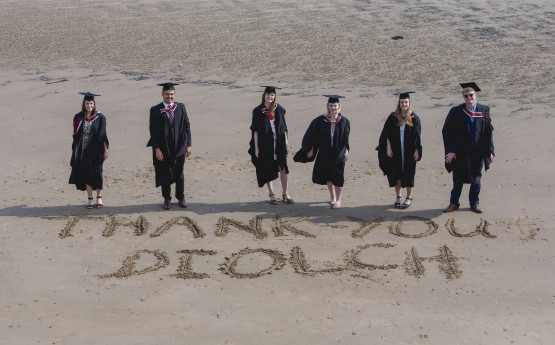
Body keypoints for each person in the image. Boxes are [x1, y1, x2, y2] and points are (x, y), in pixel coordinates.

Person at [442, 82, 495, 213]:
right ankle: (454, 203)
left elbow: (488, 132)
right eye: (466, 96)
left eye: (471, 95)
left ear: (475, 95)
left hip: (478, 151)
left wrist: (490, 151)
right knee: (458, 178)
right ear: (463, 97)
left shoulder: (484, 110)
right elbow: (448, 131)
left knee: (476, 179)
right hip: (461, 152)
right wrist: (451, 150)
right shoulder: (457, 111)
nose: (469, 98)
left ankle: (474, 203)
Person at [294, 95, 350, 209]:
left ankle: (338, 200)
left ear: (339, 106)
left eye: (335, 105)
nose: (333, 108)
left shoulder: (344, 121)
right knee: (328, 176)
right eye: (331, 105)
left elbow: (346, 139)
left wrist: (346, 152)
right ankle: (332, 197)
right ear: (328, 106)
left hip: (338, 153)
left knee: (338, 176)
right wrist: (311, 149)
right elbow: (313, 135)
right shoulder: (321, 120)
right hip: (325, 152)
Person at [147, 82, 192, 210]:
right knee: (164, 172)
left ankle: (181, 197)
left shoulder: (181, 107)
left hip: (179, 146)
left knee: (179, 172)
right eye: (167, 94)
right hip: (163, 147)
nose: (169, 96)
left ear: (174, 94)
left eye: (171, 94)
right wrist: (157, 149)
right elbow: (153, 131)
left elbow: (187, 126)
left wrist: (188, 144)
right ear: (162, 94)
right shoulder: (155, 110)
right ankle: (167, 198)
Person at [249, 86, 293, 205]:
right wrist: (257, 148)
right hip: (265, 145)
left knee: (283, 169)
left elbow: (284, 129)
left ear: (275, 96)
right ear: (264, 95)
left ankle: (285, 193)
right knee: (268, 169)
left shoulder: (279, 109)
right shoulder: (258, 111)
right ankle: (272, 194)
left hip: (279, 144)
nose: (270, 97)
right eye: (268, 95)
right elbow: (255, 131)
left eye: (272, 95)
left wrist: (287, 144)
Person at [377, 92, 422, 209]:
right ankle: (398, 196)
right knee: (396, 173)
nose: (404, 104)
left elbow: (417, 136)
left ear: (409, 103)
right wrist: (388, 148)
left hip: (409, 151)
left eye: (406, 102)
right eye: (402, 102)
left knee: (409, 173)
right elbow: (386, 134)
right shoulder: (393, 117)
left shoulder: (414, 118)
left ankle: (408, 197)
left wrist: (417, 150)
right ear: (399, 103)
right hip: (396, 151)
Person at [69, 92, 109, 209]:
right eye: (87, 103)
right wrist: (76, 151)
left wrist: (106, 150)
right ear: (84, 104)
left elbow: (103, 135)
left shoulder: (100, 117)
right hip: (83, 150)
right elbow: (76, 136)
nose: (89, 106)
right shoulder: (78, 117)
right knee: (86, 174)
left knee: (97, 173)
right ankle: (90, 199)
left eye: (91, 103)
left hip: (97, 150)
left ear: (94, 104)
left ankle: (99, 198)